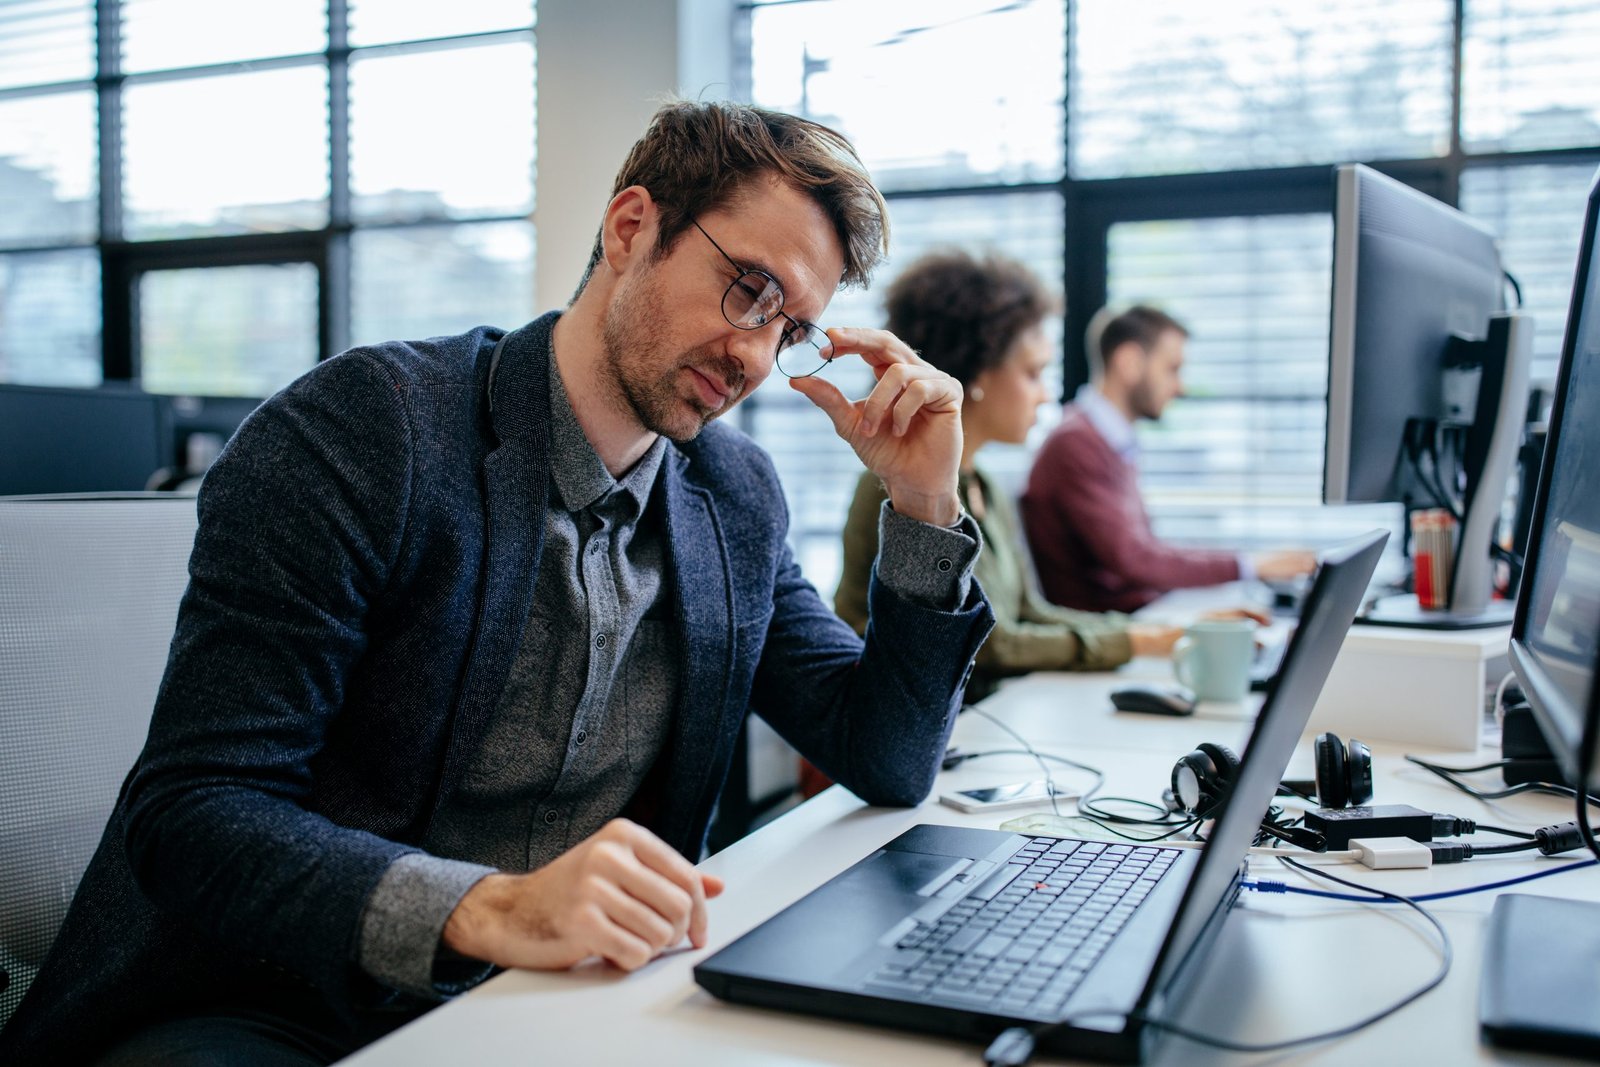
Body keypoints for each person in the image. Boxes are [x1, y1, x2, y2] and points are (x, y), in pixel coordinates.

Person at [0, 101, 994, 1067]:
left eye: (792, 330)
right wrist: (488, 905)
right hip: (280, 999)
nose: (754, 354)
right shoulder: (365, 430)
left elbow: (888, 755)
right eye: (750, 289)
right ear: (630, 227)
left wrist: (921, 503)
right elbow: (197, 809)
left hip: (557, 1004)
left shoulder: (732, 497)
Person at [835, 253, 1197, 701]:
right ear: (980, 371)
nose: (1046, 395)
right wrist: (1133, 642)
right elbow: (988, 642)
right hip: (910, 720)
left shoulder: (985, 485)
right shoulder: (893, 487)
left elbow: (1030, 612)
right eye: (1033, 373)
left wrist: (1149, 633)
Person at [1021, 304, 1317, 614]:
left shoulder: (1109, 439)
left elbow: (1145, 552)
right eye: (1172, 369)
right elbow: (1134, 559)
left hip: (1138, 612)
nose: (1180, 387)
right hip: (1110, 629)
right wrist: (1250, 565)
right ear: (1130, 362)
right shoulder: (1076, 443)